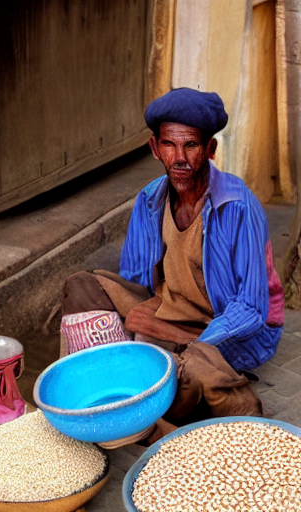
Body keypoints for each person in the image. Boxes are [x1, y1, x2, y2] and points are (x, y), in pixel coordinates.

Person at [61, 88, 284, 438]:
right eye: (169, 145)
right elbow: (137, 281)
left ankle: (149, 416)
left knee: (196, 371)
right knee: (83, 288)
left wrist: (182, 338)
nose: (179, 158)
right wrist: (142, 318)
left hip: (229, 327)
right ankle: (126, 383)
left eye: (191, 145)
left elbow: (251, 308)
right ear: (155, 148)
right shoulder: (150, 200)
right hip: (170, 309)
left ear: (210, 150)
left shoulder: (239, 206)